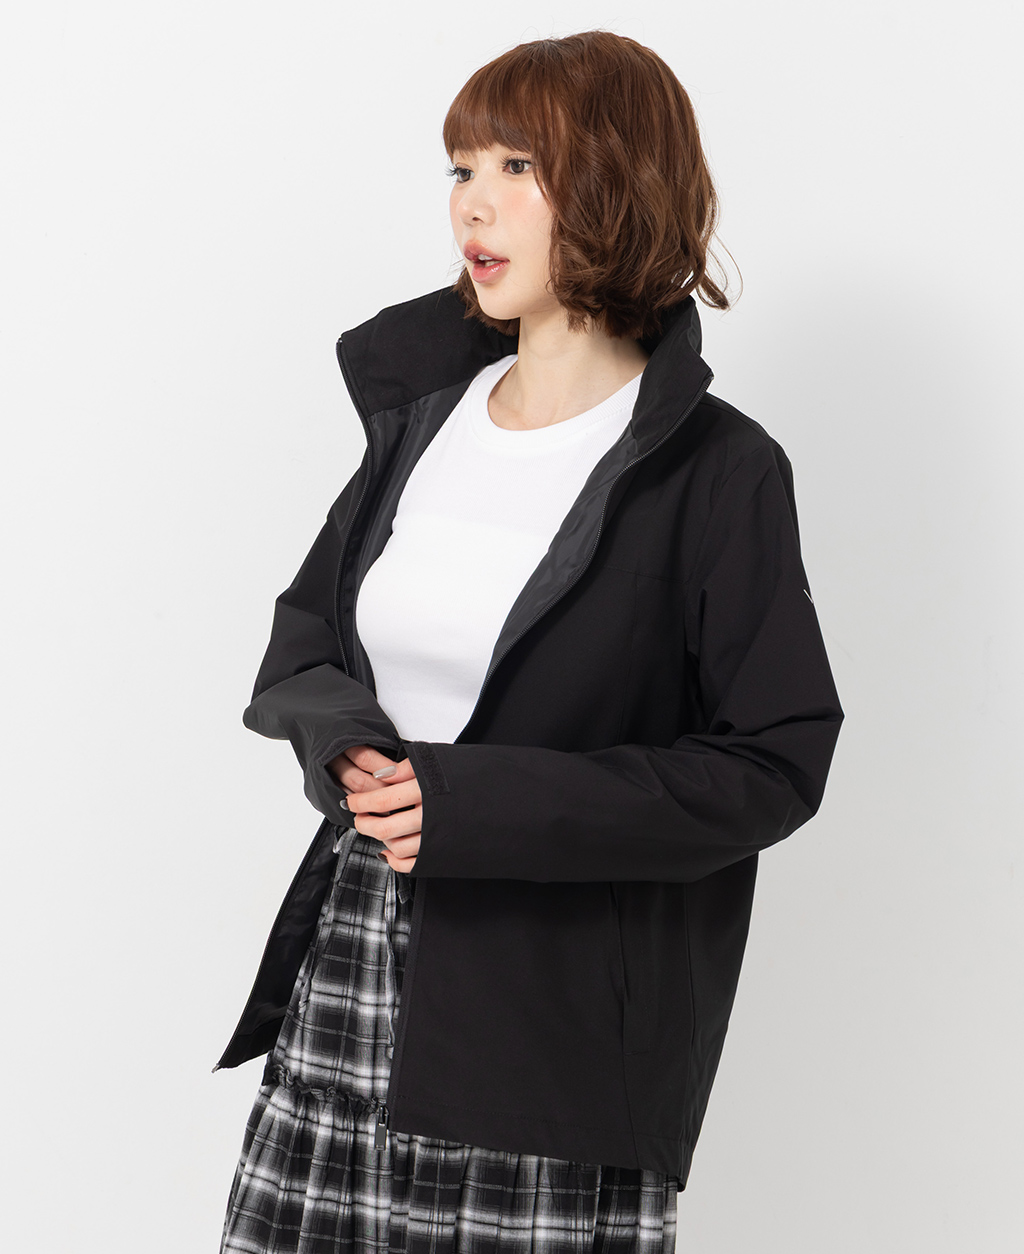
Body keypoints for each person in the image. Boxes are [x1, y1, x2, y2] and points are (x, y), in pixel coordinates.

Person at [215, 29, 844, 1254]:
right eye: (461, 168)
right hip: (352, 968)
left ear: (617, 183)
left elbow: (773, 763)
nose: (473, 203)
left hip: (549, 1033)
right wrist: (348, 751)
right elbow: (306, 645)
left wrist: (474, 803)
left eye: (518, 167)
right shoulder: (422, 422)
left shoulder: (718, 471)